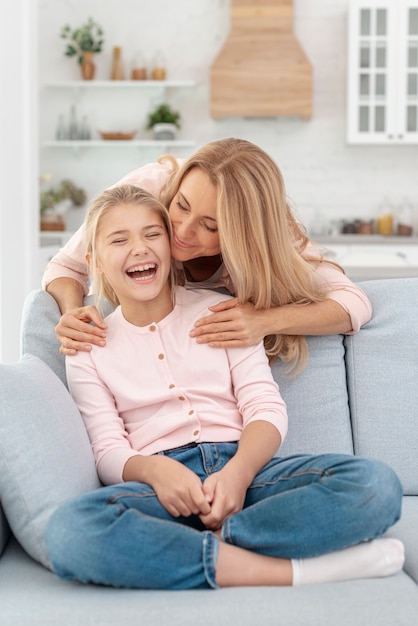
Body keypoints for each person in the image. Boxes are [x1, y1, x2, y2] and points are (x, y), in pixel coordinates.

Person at [44, 184, 403, 590]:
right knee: (70, 531)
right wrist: (154, 471)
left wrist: (238, 474)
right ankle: (290, 572)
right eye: (119, 239)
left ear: (170, 247)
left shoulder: (223, 311)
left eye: (152, 234)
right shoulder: (86, 346)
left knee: (376, 486)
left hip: (247, 474)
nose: (139, 248)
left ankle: (200, 548)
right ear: (94, 263)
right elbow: (107, 448)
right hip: (161, 492)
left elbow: (264, 407)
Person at [42, 138, 372, 373]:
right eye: (181, 206)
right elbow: (67, 266)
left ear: (244, 237)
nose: (182, 232)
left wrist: (265, 321)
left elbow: (353, 303)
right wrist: (73, 313)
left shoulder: (274, 239)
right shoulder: (149, 190)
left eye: (210, 226)